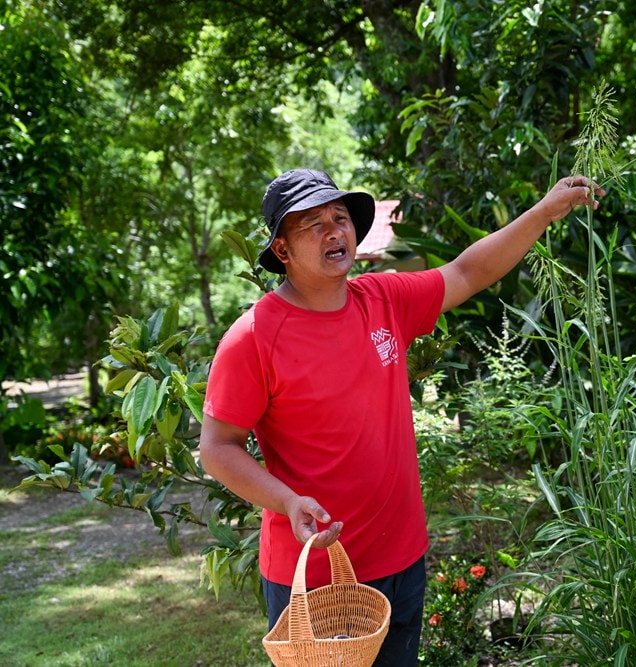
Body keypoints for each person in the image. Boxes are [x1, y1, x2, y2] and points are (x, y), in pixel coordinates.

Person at [199, 168, 604, 666]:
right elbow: (217, 448)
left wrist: (543, 213)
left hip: (401, 556)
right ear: (281, 250)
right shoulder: (253, 337)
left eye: (340, 217)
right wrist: (285, 501)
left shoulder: (383, 301)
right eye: (312, 224)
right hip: (315, 573)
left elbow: (466, 273)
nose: (334, 231)